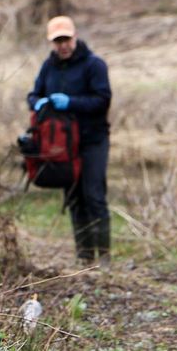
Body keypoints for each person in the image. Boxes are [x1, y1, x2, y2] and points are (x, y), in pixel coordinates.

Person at [26, 15, 112, 265]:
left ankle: (104, 257)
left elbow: (102, 99)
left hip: (93, 139)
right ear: (52, 42)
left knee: (94, 195)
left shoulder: (94, 65)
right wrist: (37, 102)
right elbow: (33, 95)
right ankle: (84, 258)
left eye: (66, 39)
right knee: (74, 198)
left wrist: (71, 102)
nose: (62, 45)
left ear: (74, 37)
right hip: (63, 146)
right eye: (57, 41)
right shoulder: (48, 67)